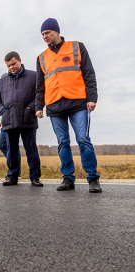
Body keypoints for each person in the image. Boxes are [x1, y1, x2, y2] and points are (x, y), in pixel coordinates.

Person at [35, 18, 102, 193]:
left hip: (78, 102)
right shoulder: (41, 57)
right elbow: (39, 86)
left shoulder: (77, 47)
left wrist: (92, 98)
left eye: (47, 32)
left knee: (83, 140)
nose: (45, 36)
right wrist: (38, 106)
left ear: (57, 31)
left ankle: (93, 178)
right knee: (63, 142)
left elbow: (89, 73)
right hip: (54, 105)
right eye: (42, 34)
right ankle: (68, 178)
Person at [0, 51, 43, 187]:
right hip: (9, 121)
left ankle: (35, 177)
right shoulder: (2, 81)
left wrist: (31, 109)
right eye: (8, 66)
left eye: (13, 64)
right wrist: (3, 111)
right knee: (11, 150)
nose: (11, 68)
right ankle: (12, 176)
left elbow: (39, 95)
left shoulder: (34, 76)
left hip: (28, 119)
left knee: (31, 149)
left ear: (20, 60)